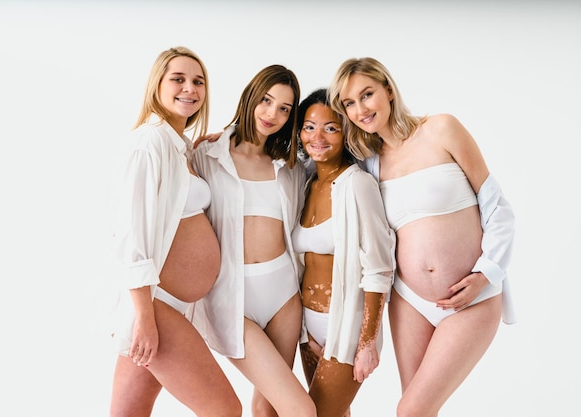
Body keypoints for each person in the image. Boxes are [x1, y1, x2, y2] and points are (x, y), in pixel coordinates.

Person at [328, 57, 515, 417]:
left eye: (367, 95)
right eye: (349, 104)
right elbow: (313, 154)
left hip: (469, 298)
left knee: (411, 410)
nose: (360, 109)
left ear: (387, 88)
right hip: (409, 300)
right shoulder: (368, 160)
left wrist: (486, 273)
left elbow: (498, 208)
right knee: (416, 410)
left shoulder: (441, 129)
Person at [108, 46, 242, 417]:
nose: (190, 89)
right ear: (157, 86)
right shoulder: (149, 142)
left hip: (175, 307)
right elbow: (131, 236)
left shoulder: (180, 147)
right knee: (225, 409)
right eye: (178, 79)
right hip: (154, 307)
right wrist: (145, 319)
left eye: (198, 82)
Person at [188, 64, 316, 417]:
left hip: (284, 297)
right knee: (300, 409)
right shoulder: (207, 155)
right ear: (250, 97)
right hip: (232, 299)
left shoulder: (290, 166)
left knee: (268, 407)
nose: (272, 114)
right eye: (266, 100)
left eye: (284, 108)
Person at [293, 89, 396, 417]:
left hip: (348, 327)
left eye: (331, 128)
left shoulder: (358, 185)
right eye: (309, 127)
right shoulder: (305, 184)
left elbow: (379, 268)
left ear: (346, 133)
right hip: (309, 326)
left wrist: (368, 343)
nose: (317, 137)